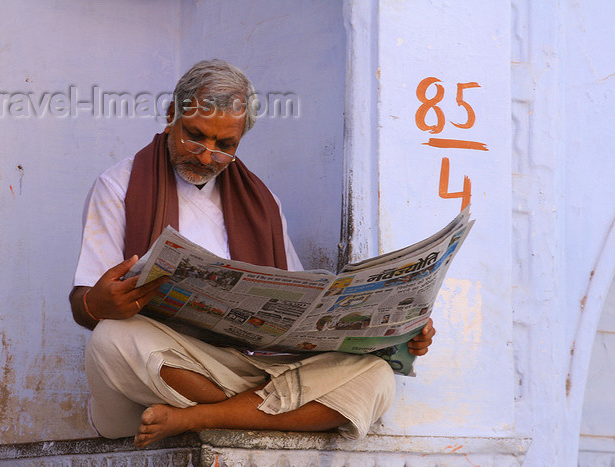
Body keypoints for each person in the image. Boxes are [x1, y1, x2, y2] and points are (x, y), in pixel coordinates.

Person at [69, 59, 435, 448]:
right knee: (111, 338)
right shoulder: (118, 186)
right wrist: (99, 302)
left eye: (224, 145)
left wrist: (396, 334)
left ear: (241, 138)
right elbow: (84, 305)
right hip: (180, 370)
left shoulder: (264, 203)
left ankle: (203, 418)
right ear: (172, 114)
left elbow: (303, 317)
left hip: (253, 368)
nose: (206, 155)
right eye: (195, 136)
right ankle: (269, 414)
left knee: (377, 378)